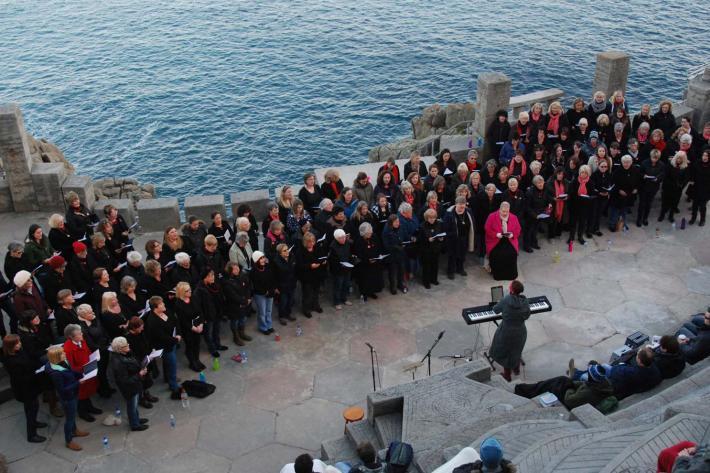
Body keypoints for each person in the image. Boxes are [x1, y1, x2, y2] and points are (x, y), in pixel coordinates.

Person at [1, 334, 47, 443]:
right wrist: (36, 370)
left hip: (31, 385)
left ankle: (34, 423)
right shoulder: (11, 361)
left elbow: (29, 361)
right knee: (31, 409)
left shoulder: (19, 352)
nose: (20, 344)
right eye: (17, 343)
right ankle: (31, 435)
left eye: (19, 342)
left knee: (33, 407)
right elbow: (22, 376)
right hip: (25, 388)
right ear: (11, 346)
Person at [45, 344, 89, 451]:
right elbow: (62, 389)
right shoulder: (55, 373)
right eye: (62, 353)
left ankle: (75, 431)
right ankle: (68, 441)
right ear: (57, 357)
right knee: (69, 419)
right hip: (67, 397)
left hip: (73, 393)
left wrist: (81, 373)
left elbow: (70, 371)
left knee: (72, 415)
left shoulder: (62, 362)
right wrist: (78, 383)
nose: (65, 354)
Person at [488, 280, 530, 381]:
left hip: (507, 332)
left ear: (511, 289)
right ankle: (516, 369)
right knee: (516, 349)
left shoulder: (506, 299)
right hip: (521, 331)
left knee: (506, 353)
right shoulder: (525, 301)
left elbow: (495, 310)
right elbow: (527, 315)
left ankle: (507, 375)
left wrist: (499, 303)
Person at [62, 324, 102, 422]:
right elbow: (71, 366)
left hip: (87, 370)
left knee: (87, 392)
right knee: (81, 395)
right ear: (72, 337)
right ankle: (83, 412)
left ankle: (89, 407)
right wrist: (84, 369)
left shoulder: (81, 341)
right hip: (79, 375)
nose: (82, 335)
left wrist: (92, 359)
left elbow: (87, 352)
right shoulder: (68, 349)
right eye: (79, 334)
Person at [144, 296, 181, 397]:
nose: (164, 305)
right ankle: (173, 386)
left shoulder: (165, 311)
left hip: (171, 342)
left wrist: (178, 333)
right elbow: (161, 337)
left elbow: (175, 320)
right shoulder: (152, 321)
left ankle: (168, 378)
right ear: (156, 307)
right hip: (164, 346)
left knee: (168, 363)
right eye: (161, 304)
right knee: (172, 364)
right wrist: (176, 340)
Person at [109, 336, 149, 431]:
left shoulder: (124, 354)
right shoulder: (118, 362)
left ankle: (136, 419)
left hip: (134, 384)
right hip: (129, 388)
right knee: (132, 405)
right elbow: (124, 380)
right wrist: (140, 374)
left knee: (134, 405)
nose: (128, 345)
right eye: (126, 345)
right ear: (120, 349)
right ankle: (135, 425)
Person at [125, 316, 159, 408]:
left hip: (147, 360)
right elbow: (131, 354)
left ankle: (146, 393)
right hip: (138, 363)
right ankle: (141, 399)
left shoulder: (141, 333)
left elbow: (147, 343)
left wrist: (151, 351)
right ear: (134, 328)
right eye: (140, 327)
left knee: (147, 380)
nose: (143, 328)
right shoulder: (128, 339)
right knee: (140, 383)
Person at [193, 268, 226, 356]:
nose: (213, 277)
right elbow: (198, 307)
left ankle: (218, 345)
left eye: (213, 275)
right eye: (210, 276)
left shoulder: (214, 285)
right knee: (208, 333)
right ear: (204, 278)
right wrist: (203, 319)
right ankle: (212, 349)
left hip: (217, 313)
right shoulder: (199, 290)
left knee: (216, 330)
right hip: (208, 316)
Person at [485, 202, 521, 281]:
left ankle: (511, 275)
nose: (505, 213)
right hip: (495, 240)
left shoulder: (514, 217)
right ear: (499, 210)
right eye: (503, 211)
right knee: (496, 254)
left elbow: (518, 229)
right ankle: (497, 274)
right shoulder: (492, 216)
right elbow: (487, 228)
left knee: (512, 253)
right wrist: (496, 234)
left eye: (507, 212)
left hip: (509, 240)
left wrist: (513, 235)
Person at [174, 281, 205, 372]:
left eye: (190, 289)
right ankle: (192, 362)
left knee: (197, 343)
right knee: (190, 345)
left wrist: (201, 324)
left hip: (198, 324)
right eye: (188, 290)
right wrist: (194, 328)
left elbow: (200, 311)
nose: (190, 291)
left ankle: (197, 359)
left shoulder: (193, 298)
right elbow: (183, 321)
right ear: (182, 292)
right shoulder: (178, 304)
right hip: (188, 329)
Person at [443, 196, 475, 280]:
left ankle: (460, 269)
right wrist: (451, 234)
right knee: (452, 255)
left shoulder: (468, 211)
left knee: (462, 254)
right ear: (456, 204)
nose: (462, 206)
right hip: (452, 238)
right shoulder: (449, 213)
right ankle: (450, 271)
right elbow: (445, 227)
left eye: (463, 204)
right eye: (460, 204)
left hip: (464, 237)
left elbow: (472, 222)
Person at [296, 232, 325, 318]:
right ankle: (306, 309)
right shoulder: (300, 251)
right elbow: (300, 265)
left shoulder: (317, 248)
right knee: (307, 293)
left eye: (313, 241)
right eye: (309, 242)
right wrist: (310, 266)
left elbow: (321, 257)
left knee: (316, 291)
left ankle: (315, 305)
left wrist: (323, 261)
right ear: (305, 242)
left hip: (316, 274)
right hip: (306, 276)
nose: (312, 243)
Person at [353, 222, 384, 301]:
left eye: (370, 233)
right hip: (364, 264)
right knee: (364, 280)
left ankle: (371, 292)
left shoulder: (374, 237)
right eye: (368, 234)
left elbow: (378, 247)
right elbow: (358, 253)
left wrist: (377, 257)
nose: (370, 235)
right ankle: (363, 293)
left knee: (373, 279)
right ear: (363, 233)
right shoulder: (359, 240)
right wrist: (367, 260)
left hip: (374, 263)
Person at [222, 262, 252, 346]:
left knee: (243, 319)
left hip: (244, 304)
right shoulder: (226, 282)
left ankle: (242, 333)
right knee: (234, 321)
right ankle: (236, 337)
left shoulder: (242, 276)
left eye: (238, 267)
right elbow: (232, 296)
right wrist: (245, 302)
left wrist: (248, 298)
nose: (238, 269)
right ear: (230, 270)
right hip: (234, 306)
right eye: (235, 269)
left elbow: (247, 287)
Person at [609, 154, 640, 231]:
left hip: (629, 195)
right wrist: (619, 190)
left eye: (628, 162)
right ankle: (612, 225)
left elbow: (639, 181)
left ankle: (623, 224)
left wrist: (636, 188)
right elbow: (613, 183)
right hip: (618, 196)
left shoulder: (635, 170)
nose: (626, 164)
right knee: (615, 212)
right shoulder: (617, 171)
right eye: (624, 162)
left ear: (631, 162)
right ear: (622, 162)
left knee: (624, 211)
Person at [567, 164, 596, 245]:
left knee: (582, 223)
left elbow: (592, 193)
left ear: (588, 174)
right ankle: (571, 237)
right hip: (574, 205)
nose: (583, 174)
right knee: (573, 222)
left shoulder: (590, 182)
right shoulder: (574, 181)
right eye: (582, 172)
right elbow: (570, 193)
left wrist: (589, 198)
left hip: (585, 206)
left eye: (585, 173)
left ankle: (580, 237)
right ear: (579, 173)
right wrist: (579, 197)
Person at [451, 437, 516, 473]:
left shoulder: (474, 468)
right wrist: (506, 464)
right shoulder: (508, 469)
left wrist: (476, 464)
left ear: (481, 456)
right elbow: (503, 462)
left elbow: (455, 471)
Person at [637, 149, 666, 226]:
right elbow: (639, 173)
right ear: (651, 156)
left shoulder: (661, 165)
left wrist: (657, 178)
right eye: (653, 157)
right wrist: (644, 176)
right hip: (644, 186)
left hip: (653, 187)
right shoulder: (644, 163)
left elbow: (663, 174)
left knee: (649, 204)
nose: (654, 159)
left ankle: (645, 218)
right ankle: (639, 219)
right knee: (642, 204)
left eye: (656, 158)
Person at [659, 151, 690, 223]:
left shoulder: (685, 167)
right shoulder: (670, 164)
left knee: (674, 203)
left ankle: (671, 216)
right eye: (678, 158)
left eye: (681, 159)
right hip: (668, 187)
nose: (679, 160)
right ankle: (662, 215)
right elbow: (665, 176)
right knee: (665, 202)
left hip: (677, 188)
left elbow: (686, 178)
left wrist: (681, 185)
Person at [250, 251, 277, 335]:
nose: (263, 260)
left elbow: (273, 279)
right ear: (256, 260)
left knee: (269, 310)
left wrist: (272, 289)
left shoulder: (268, 267)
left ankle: (269, 325)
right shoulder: (253, 271)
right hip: (260, 294)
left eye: (263, 257)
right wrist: (265, 291)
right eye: (260, 258)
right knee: (262, 312)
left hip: (270, 292)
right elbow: (255, 285)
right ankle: (263, 327)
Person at [524, 175, 552, 251]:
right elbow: (527, 207)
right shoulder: (530, 193)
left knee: (535, 230)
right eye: (538, 183)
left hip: (541, 214)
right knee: (529, 230)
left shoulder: (545, 189)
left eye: (542, 182)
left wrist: (549, 203)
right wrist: (535, 215)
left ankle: (534, 243)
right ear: (535, 184)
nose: (540, 184)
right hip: (531, 215)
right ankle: (527, 246)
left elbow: (548, 198)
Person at [419, 208, 444, 289]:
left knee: (435, 265)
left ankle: (434, 279)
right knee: (427, 266)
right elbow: (420, 239)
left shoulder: (439, 224)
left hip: (436, 248)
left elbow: (440, 234)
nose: (432, 219)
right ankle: (426, 282)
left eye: (433, 217)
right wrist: (427, 239)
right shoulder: (422, 226)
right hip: (426, 250)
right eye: (430, 218)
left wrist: (441, 239)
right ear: (426, 218)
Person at [329, 229, 355, 307]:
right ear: (336, 238)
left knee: (346, 285)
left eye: (344, 237)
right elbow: (332, 262)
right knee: (338, 286)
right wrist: (340, 265)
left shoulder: (347, 243)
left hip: (347, 268)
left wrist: (352, 260)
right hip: (338, 271)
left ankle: (344, 299)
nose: (343, 239)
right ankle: (336, 302)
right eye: (341, 238)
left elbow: (349, 254)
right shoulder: (332, 247)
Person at [274, 243, 297, 324]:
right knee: (283, 302)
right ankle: (282, 316)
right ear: (280, 253)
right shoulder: (276, 261)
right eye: (285, 250)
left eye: (287, 249)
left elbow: (295, 269)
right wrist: (275, 287)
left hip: (291, 283)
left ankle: (288, 313)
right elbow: (274, 275)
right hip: (282, 285)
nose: (287, 251)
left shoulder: (292, 256)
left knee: (290, 300)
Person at [688, 148, 709, 226]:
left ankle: (702, 220)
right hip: (696, 187)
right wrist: (691, 180)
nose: (704, 157)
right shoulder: (697, 163)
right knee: (695, 205)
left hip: (706, 189)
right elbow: (692, 173)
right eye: (703, 155)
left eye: (706, 156)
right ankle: (693, 218)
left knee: (703, 206)